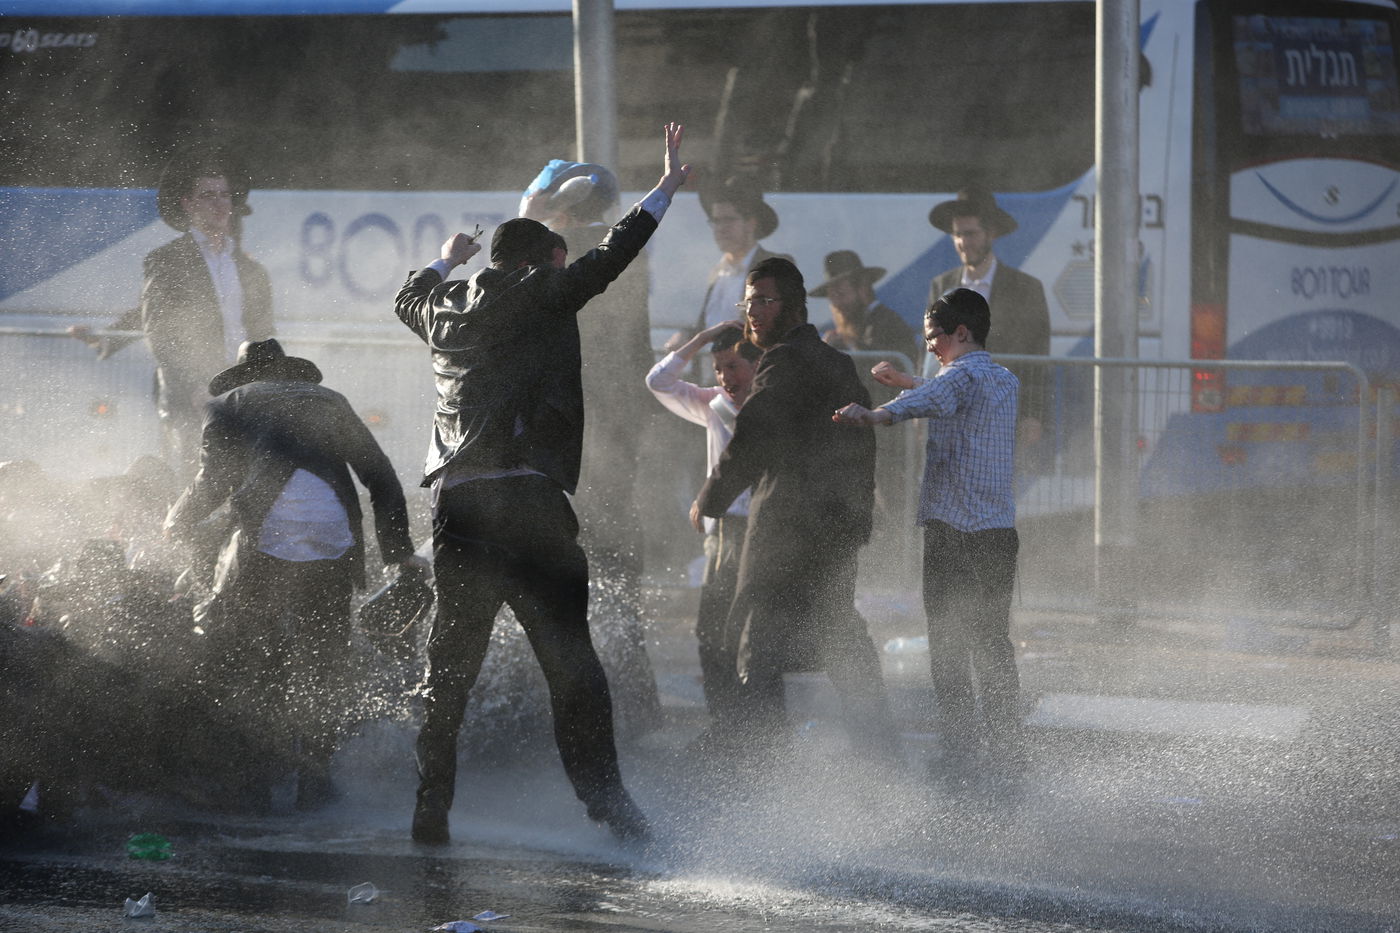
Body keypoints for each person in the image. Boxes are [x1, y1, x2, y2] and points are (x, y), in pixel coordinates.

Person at [394, 123, 691, 847]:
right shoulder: (544, 293)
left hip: (459, 506)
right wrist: (665, 189)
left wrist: (443, 260)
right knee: (571, 663)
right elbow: (614, 255)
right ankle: (611, 805)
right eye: (561, 256)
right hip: (528, 503)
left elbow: (409, 299)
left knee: (449, 665)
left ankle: (430, 808)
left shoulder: (447, 310)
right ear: (547, 259)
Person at [163, 338, 422, 810]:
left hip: (268, 539)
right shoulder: (332, 401)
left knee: (251, 660)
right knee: (324, 663)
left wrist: (176, 519)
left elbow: (213, 482)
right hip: (335, 539)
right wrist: (398, 553)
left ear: (245, 376)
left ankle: (254, 786)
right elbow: (381, 477)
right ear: (289, 373)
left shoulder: (231, 403)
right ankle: (316, 786)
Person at [692, 257, 898, 759]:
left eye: (764, 300)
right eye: (748, 301)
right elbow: (862, 444)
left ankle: (765, 771)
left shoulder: (786, 359)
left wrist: (710, 498)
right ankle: (883, 759)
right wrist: (856, 520)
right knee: (840, 636)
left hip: (788, 526)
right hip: (834, 526)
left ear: (792, 305)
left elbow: (752, 437)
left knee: (756, 644)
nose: (753, 312)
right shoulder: (835, 360)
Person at [834, 288, 1022, 769]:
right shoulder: (1003, 379)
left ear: (961, 332)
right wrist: (908, 379)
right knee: (993, 643)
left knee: (949, 645)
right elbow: (952, 390)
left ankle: (959, 749)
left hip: (954, 534)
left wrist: (876, 413)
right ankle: (1006, 748)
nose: (931, 347)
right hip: (998, 535)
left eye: (933, 338)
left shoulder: (958, 378)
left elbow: (944, 391)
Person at [520, 160, 661, 733]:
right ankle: (633, 698)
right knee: (616, 557)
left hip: (565, 423)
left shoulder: (552, 251)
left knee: (557, 555)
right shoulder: (629, 252)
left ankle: (561, 695)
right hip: (615, 424)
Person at [75, 148, 275, 473]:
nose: (220, 203)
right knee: (193, 477)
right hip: (190, 393)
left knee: (246, 477)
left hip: (241, 390)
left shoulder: (251, 269)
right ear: (188, 203)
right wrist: (196, 384)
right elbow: (160, 330)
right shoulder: (166, 260)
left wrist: (265, 386)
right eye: (208, 195)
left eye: (225, 195)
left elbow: (264, 335)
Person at [645, 320, 760, 736]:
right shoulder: (712, 404)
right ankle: (726, 723)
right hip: (724, 530)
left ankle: (749, 726)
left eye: (733, 366)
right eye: (718, 369)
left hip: (761, 524)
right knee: (713, 628)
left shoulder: (773, 404)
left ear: (756, 364)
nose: (726, 377)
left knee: (748, 629)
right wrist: (702, 339)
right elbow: (658, 380)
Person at [927, 184, 1049, 449]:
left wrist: (1033, 415)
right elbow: (930, 350)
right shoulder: (941, 285)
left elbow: (1038, 356)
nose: (962, 242)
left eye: (970, 234)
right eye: (957, 234)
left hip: (1002, 412)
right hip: (952, 412)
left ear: (991, 234)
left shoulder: (1026, 288)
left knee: (1001, 487)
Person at [692, 176, 792, 336]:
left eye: (728, 220)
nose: (720, 228)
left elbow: (774, 327)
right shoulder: (717, 272)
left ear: (751, 224)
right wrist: (686, 336)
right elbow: (708, 326)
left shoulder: (774, 267)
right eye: (716, 221)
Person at [811, 250, 920, 372]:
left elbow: (883, 376)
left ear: (863, 288)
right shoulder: (861, 324)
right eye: (832, 297)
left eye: (841, 294)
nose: (837, 304)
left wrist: (847, 345)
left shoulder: (886, 321)